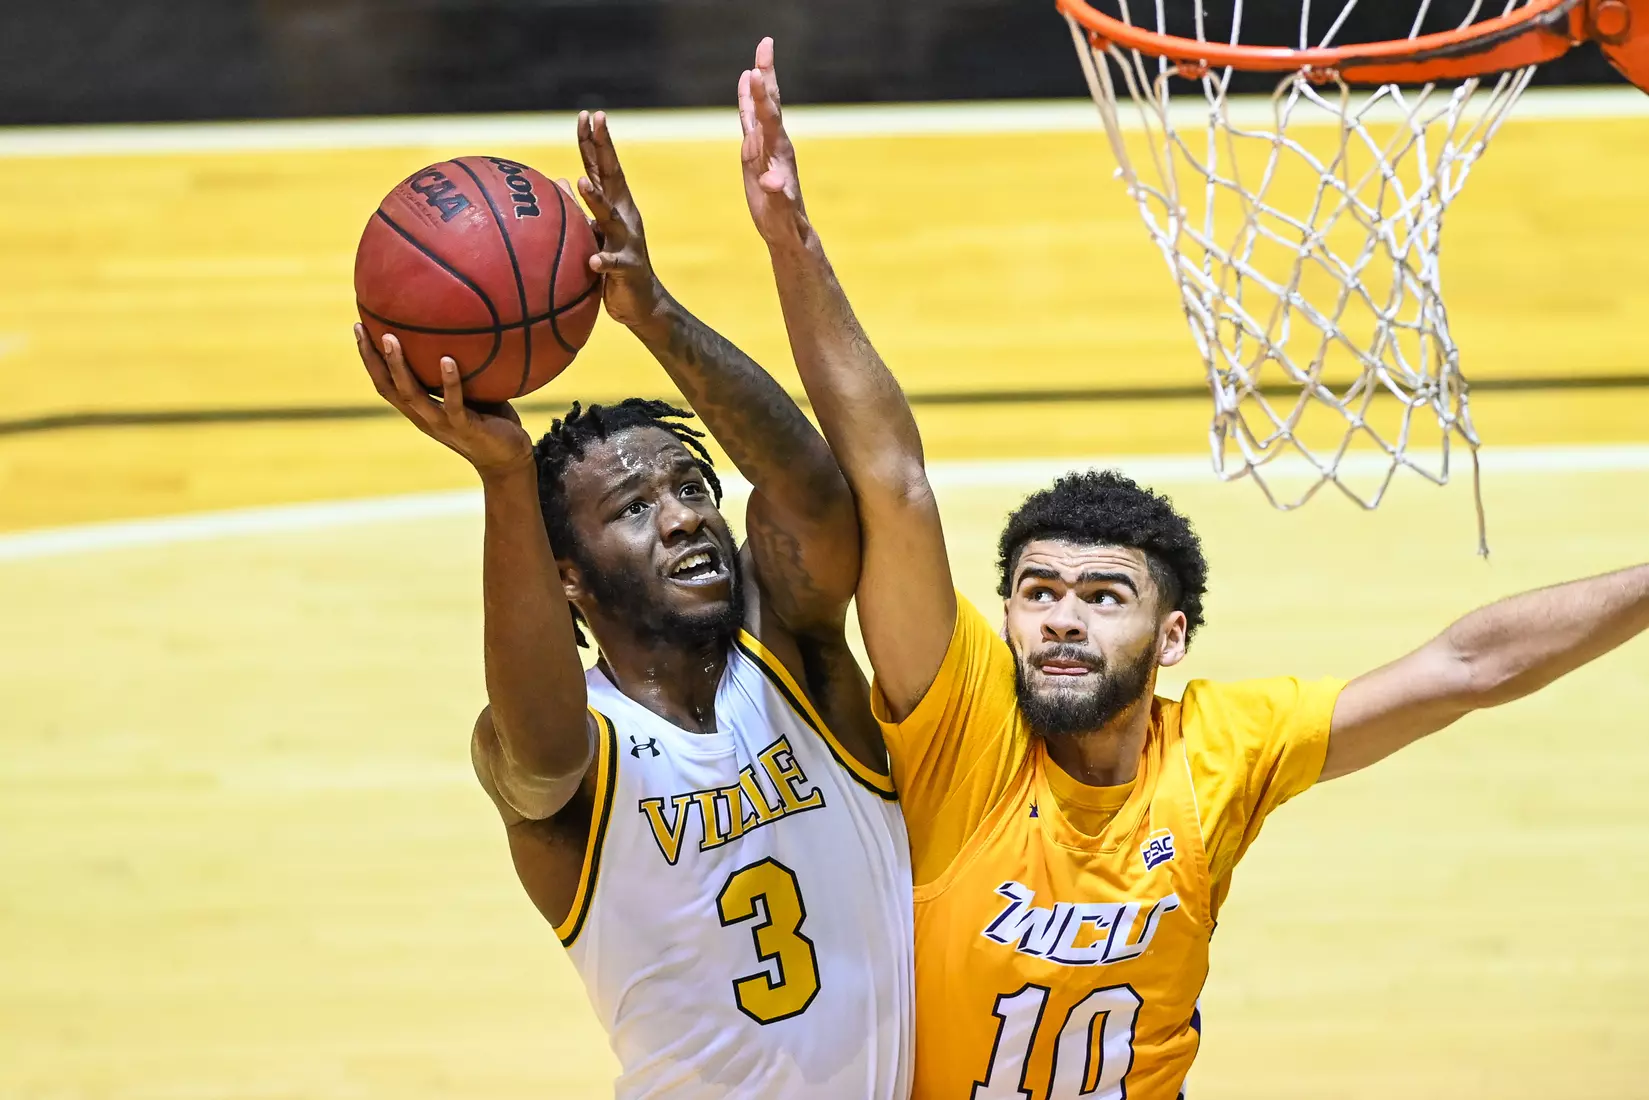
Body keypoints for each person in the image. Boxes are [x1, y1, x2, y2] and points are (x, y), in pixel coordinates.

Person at [734, 36, 1649, 1100]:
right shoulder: (963, 733)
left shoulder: (1219, 747)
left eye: (1101, 594)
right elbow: (891, 481)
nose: (1060, 620)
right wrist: (791, 240)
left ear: (1170, 637)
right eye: (1037, 593)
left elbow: (1466, 665)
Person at [354, 110, 912, 1099]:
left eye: (691, 488)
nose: (683, 517)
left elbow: (817, 498)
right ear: (566, 573)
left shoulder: (796, 661)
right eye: (634, 508)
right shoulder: (578, 752)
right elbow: (536, 753)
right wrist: (502, 475)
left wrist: (655, 314)